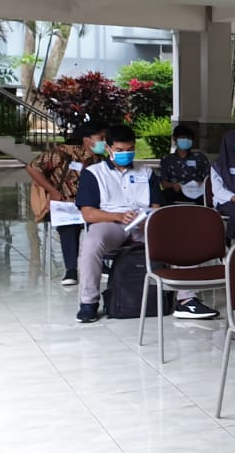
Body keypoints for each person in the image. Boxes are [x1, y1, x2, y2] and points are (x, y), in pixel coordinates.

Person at [73, 124, 219, 323]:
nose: (126, 154)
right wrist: (117, 216)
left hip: (144, 223)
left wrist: (149, 217)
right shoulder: (93, 173)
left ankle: (187, 300)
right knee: (91, 242)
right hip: (110, 223)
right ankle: (88, 303)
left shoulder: (146, 173)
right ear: (108, 149)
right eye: (120, 151)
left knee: (178, 237)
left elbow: (157, 205)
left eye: (130, 150)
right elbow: (88, 213)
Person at [25, 122, 105, 287]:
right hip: (65, 204)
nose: (104, 142)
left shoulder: (100, 159)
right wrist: (53, 191)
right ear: (87, 140)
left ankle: (100, 265)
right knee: (69, 225)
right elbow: (32, 168)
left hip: (92, 206)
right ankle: (71, 269)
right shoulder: (62, 153)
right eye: (101, 138)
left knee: (101, 223)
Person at [158, 124, 209, 206]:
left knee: (208, 197)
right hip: (176, 191)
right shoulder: (167, 159)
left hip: (197, 192)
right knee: (162, 196)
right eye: (182, 137)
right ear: (175, 139)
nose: (186, 140)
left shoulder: (199, 157)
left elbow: (208, 178)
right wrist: (173, 185)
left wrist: (201, 183)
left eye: (189, 138)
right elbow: (164, 183)